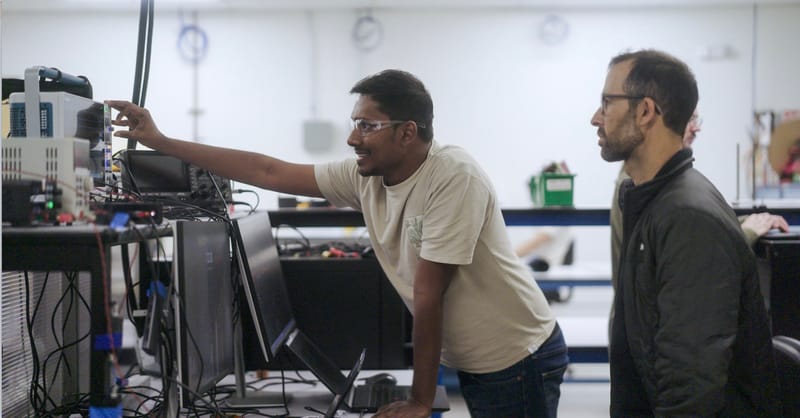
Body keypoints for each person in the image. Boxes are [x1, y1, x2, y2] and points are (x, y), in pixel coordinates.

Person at [107, 69, 568, 418]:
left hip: (516, 355)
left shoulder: (452, 177)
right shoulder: (365, 176)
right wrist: (162, 142)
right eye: (354, 124)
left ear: (408, 132)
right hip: (476, 355)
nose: (352, 138)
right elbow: (269, 171)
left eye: (367, 126)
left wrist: (420, 401)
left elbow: (430, 295)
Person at [591, 49, 780, 416]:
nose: (596, 118)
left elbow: (690, 384)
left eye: (606, 103)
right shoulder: (650, 199)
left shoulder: (688, 216)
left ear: (645, 112)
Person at [611, 112, 791, 289]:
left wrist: (745, 224)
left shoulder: (659, 178)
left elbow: (691, 232)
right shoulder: (643, 182)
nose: (696, 128)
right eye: (689, 118)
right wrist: (746, 234)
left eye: (696, 119)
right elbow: (685, 266)